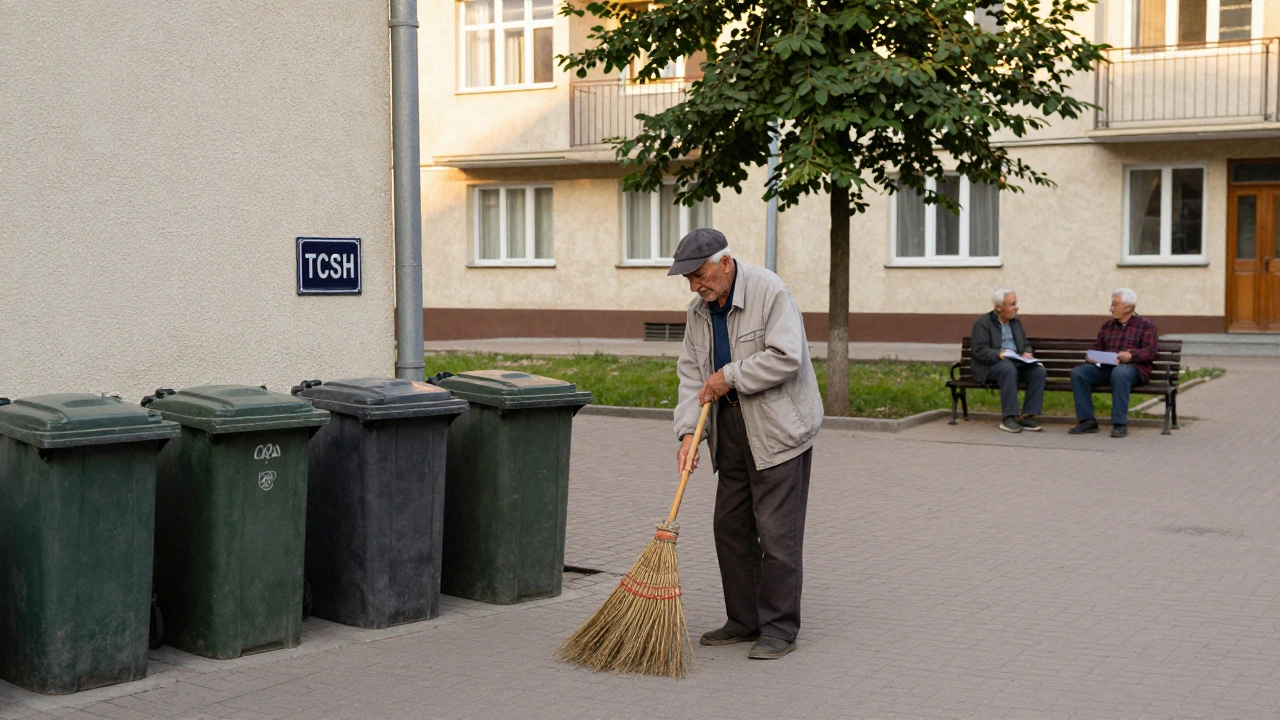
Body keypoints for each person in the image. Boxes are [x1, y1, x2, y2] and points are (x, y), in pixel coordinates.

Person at [670, 227, 823, 661]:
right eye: (689, 280)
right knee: (731, 528)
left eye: (701, 275)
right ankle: (743, 619)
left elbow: (785, 356)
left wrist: (729, 376)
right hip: (730, 429)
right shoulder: (698, 312)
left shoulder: (768, 290)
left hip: (777, 427)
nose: (697, 286)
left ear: (725, 262)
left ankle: (779, 628)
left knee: (778, 534)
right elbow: (690, 377)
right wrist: (688, 434)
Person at [1068, 288, 1159, 438]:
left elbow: (1150, 351)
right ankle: (1087, 421)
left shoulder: (1146, 326)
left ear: (1128, 307)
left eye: (1115, 304)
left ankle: (1119, 423)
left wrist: (1130, 355)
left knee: (1120, 372)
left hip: (1134, 369)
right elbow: (1098, 347)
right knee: (1079, 373)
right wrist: (1091, 356)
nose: (1111, 308)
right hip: (1106, 367)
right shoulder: (1107, 326)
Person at [969, 288, 1046, 433]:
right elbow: (978, 351)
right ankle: (1008, 418)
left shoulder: (1015, 323)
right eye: (1012, 304)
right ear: (999, 307)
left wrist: (1028, 352)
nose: (1016, 307)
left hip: (1015, 363)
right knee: (1007, 368)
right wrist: (998, 354)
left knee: (1038, 372)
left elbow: (1024, 343)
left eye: (1016, 303)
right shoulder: (983, 323)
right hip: (990, 366)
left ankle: (1027, 416)